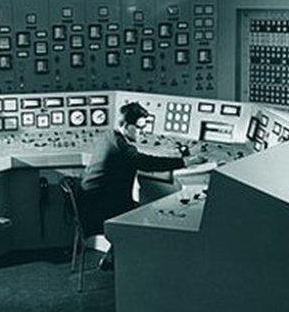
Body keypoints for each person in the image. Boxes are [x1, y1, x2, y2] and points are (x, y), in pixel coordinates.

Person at [80, 102, 205, 270]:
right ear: (124, 125)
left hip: (89, 202)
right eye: (138, 127)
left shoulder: (108, 136)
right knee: (143, 217)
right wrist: (187, 161)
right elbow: (148, 163)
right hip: (98, 211)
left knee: (136, 209)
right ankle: (135, 270)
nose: (142, 131)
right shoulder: (122, 148)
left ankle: (112, 258)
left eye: (144, 127)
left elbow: (139, 158)